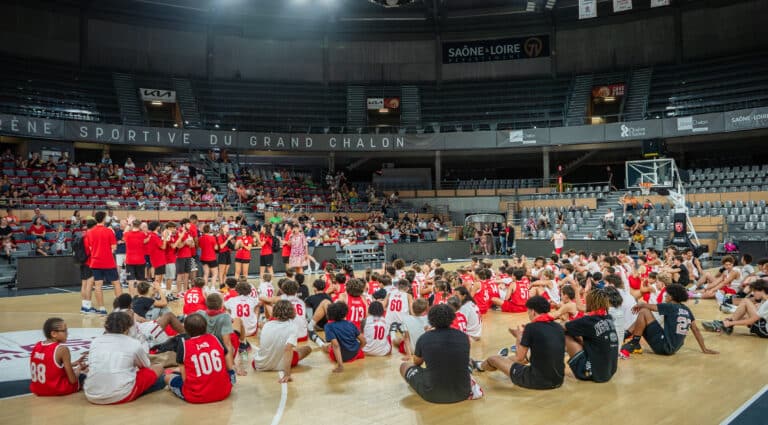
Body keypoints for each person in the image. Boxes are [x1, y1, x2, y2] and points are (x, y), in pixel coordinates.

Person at [471, 296, 565, 390]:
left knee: (493, 359)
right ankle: (500, 361)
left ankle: (479, 366)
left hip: (538, 381)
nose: (528, 314)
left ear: (533, 311)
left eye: (528, 311)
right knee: (527, 357)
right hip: (558, 380)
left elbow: (519, 358)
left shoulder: (531, 327)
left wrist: (519, 336)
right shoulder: (558, 327)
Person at [84, 312, 166, 404]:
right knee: (158, 368)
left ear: (106, 326)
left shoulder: (95, 341)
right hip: (120, 395)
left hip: (91, 394)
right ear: (128, 328)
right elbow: (146, 366)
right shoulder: (133, 343)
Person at [399, 304, 473, 403]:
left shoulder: (424, 338)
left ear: (430, 320)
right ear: (452, 318)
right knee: (467, 361)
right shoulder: (463, 336)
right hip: (463, 392)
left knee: (404, 366)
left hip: (433, 395)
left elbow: (417, 363)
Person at [620, 284, 718, 357]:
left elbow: (650, 307)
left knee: (644, 311)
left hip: (664, 346)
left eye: (666, 295)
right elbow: (695, 330)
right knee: (645, 317)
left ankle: (634, 342)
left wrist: (640, 304)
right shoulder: (687, 309)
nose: (665, 296)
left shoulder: (671, 306)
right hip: (674, 348)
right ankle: (626, 335)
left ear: (671, 297)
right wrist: (704, 348)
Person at [165, 314, 235, 403]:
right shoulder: (215, 338)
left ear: (186, 329)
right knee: (229, 372)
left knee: (167, 378)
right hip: (224, 391)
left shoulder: (184, 345)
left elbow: (185, 379)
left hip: (197, 396)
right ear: (205, 327)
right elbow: (228, 367)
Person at [564, 289, 619, 383]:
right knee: (580, 334)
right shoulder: (608, 318)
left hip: (594, 373)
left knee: (566, 334)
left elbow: (564, 327)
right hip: (610, 371)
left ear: (590, 303)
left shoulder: (588, 321)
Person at [252, 300, 313, 382]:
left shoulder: (266, 325)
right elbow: (287, 349)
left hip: (261, 365)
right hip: (281, 365)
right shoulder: (293, 327)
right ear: (292, 311)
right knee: (307, 349)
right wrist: (287, 374)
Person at [29, 318, 87, 396]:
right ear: (54, 334)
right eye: (64, 330)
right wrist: (79, 370)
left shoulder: (37, 345)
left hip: (37, 390)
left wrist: (73, 364)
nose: (67, 333)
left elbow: (49, 366)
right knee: (86, 373)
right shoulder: (62, 349)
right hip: (57, 390)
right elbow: (72, 380)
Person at [702, 279, 768, 337]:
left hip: (764, 330)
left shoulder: (766, 303)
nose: (753, 293)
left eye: (754, 291)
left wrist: (731, 323)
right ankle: (726, 324)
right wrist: (730, 319)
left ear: (762, 291)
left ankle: (727, 325)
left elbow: (751, 321)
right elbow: (750, 316)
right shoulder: (764, 300)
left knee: (745, 301)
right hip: (763, 326)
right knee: (748, 306)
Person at [86, 211, 122, 314]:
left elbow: (90, 247)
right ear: (103, 219)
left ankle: (101, 308)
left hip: (95, 262)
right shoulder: (109, 231)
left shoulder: (90, 232)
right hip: (108, 261)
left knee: (98, 285)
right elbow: (114, 247)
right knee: (116, 283)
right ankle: (120, 307)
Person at [321, 302, 366, 372]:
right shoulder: (351, 323)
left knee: (326, 347)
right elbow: (364, 341)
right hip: (356, 354)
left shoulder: (328, 326)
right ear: (345, 312)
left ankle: (323, 347)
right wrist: (357, 350)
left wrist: (340, 365)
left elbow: (336, 345)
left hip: (341, 357)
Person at [123, 219, 146, 297]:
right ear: (139, 226)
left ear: (132, 225)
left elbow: (124, 232)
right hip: (140, 260)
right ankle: (140, 296)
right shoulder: (142, 234)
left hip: (129, 261)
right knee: (140, 280)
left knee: (130, 280)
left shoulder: (127, 234)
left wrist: (129, 224)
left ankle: (132, 297)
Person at [198, 224, 219, 292]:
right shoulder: (212, 238)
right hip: (212, 258)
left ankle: (205, 287)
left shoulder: (200, 238)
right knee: (215, 273)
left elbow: (200, 247)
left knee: (206, 273)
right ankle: (212, 287)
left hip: (204, 258)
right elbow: (216, 248)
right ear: (209, 230)